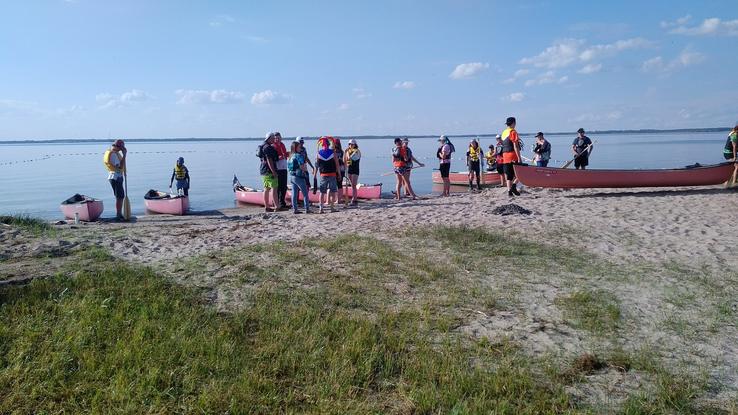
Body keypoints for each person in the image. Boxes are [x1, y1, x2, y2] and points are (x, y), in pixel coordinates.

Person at [314, 136, 341, 213]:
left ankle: (321, 208)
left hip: (323, 175)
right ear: (329, 144)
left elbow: (316, 165)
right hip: (332, 174)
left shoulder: (318, 154)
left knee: (322, 192)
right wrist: (339, 174)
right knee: (332, 191)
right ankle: (332, 208)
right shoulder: (333, 152)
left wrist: (315, 175)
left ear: (321, 144)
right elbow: (337, 164)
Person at [102, 139, 127, 220]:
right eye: (121, 148)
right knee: (119, 197)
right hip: (115, 177)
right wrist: (124, 155)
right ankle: (118, 215)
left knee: (120, 196)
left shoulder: (113, 152)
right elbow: (119, 166)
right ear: (119, 147)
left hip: (116, 176)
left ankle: (119, 214)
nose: (121, 149)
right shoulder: (113, 154)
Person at [288, 139, 310, 214]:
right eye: (299, 147)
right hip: (299, 176)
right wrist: (305, 172)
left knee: (294, 193)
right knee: (305, 193)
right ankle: (307, 208)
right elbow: (302, 166)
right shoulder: (298, 156)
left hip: (291, 176)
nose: (301, 148)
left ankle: (295, 209)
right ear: (296, 148)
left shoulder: (290, 156)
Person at [258, 133, 279, 212]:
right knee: (274, 188)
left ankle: (267, 206)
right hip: (269, 171)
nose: (274, 139)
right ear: (269, 138)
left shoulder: (263, 146)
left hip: (263, 171)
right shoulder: (268, 148)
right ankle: (277, 206)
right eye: (273, 138)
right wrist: (273, 171)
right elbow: (269, 160)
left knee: (266, 188)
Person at [501, 117, 522, 196]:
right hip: (512, 156)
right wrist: (519, 158)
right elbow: (515, 146)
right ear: (514, 123)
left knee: (509, 175)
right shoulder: (513, 132)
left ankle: (509, 191)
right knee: (520, 174)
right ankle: (514, 186)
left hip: (505, 156)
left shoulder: (504, 132)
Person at [273, 132, 289, 209]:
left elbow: (285, 154)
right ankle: (277, 202)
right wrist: (279, 157)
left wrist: (288, 154)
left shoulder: (282, 144)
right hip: (277, 168)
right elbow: (272, 158)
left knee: (284, 186)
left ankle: (282, 202)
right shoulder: (273, 146)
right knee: (278, 187)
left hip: (284, 168)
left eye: (278, 138)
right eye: (276, 138)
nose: (277, 139)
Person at [344, 139, 361, 205]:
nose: (350, 145)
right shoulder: (348, 151)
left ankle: (354, 199)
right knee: (352, 185)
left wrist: (347, 152)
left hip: (355, 169)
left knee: (354, 184)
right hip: (350, 169)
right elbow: (346, 160)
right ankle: (353, 198)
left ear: (355, 145)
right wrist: (345, 153)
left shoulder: (357, 151)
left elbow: (349, 158)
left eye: (352, 144)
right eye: (349, 144)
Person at [334, 138, 349, 208]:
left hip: (337, 169)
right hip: (342, 169)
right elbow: (343, 160)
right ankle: (339, 199)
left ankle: (337, 199)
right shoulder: (341, 151)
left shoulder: (333, 151)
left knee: (336, 185)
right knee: (339, 185)